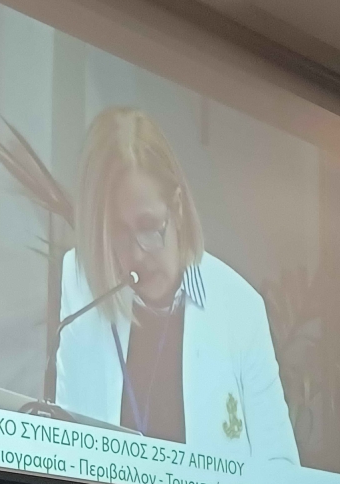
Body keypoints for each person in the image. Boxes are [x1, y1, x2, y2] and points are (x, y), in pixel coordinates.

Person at [56, 106, 299, 464]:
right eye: (119, 233)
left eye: (149, 226)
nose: (137, 253)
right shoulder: (83, 283)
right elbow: (66, 442)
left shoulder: (239, 307)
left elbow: (281, 468)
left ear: (178, 208)